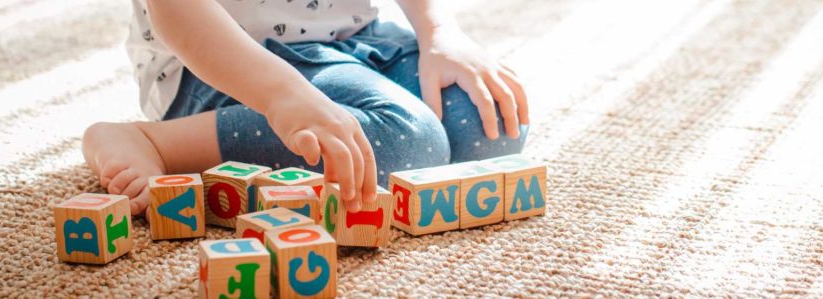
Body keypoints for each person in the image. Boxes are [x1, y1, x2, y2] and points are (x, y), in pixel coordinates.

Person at [82, 0, 529, 216]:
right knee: (409, 143)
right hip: (234, 62)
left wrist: (438, 33)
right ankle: (155, 140)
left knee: (487, 123)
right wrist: (282, 96)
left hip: (356, 38)